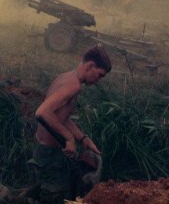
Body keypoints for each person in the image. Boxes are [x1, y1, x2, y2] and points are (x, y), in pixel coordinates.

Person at [32, 45, 111, 203]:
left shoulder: (65, 77)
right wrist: (69, 138)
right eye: (100, 75)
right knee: (53, 196)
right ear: (90, 66)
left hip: (45, 150)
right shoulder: (73, 85)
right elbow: (42, 112)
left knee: (50, 188)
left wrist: (83, 139)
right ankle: (6, 197)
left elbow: (60, 116)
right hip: (49, 153)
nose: (98, 80)